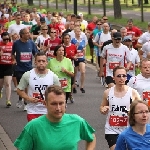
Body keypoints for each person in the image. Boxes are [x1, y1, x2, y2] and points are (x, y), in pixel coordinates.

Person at [14, 85, 96, 150]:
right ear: (45, 104)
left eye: (61, 103)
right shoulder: (33, 126)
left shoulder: (77, 121)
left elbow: (92, 137)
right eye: (53, 104)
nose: (58, 108)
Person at [100, 66, 141, 150]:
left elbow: (141, 108)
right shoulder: (107, 93)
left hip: (129, 129)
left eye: (124, 76)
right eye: (119, 76)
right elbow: (102, 106)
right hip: (111, 130)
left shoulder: (133, 92)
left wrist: (133, 112)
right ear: (113, 78)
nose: (122, 78)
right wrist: (103, 109)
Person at [17, 52, 60, 122]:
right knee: (35, 132)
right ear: (35, 62)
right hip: (33, 111)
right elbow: (19, 90)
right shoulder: (28, 75)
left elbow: (59, 94)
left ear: (47, 62)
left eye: (43, 61)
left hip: (48, 111)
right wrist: (29, 98)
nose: (41, 63)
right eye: (39, 61)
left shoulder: (53, 77)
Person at [12, 28, 38, 111]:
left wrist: (38, 62)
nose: (28, 34)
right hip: (19, 68)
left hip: (29, 68)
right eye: (26, 33)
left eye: (29, 33)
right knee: (21, 86)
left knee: (27, 85)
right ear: (22, 35)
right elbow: (12, 53)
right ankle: (20, 99)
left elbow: (36, 54)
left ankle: (26, 103)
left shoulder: (31, 43)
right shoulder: (16, 43)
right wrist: (14, 60)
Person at [0, 32, 13, 107]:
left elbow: (15, 54)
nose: (6, 41)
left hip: (9, 65)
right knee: (0, 84)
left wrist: (14, 59)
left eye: (8, 39)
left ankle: (8, 100)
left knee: (7, 83)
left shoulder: (12, 44)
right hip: (1, 66)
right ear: (2, 38)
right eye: (5, 39)